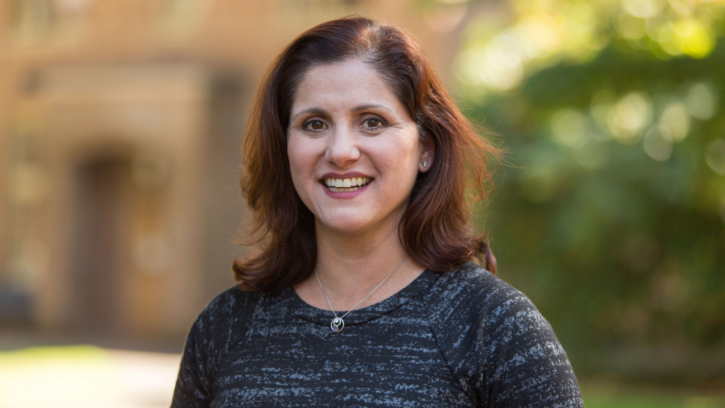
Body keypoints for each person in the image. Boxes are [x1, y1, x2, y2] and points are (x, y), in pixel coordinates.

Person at [172, 16, 584, 407]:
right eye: (314, 124)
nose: (341, 152)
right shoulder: (224, 328)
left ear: (425, 148)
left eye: (372, 122)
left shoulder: (494, 328)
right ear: (285, 147)